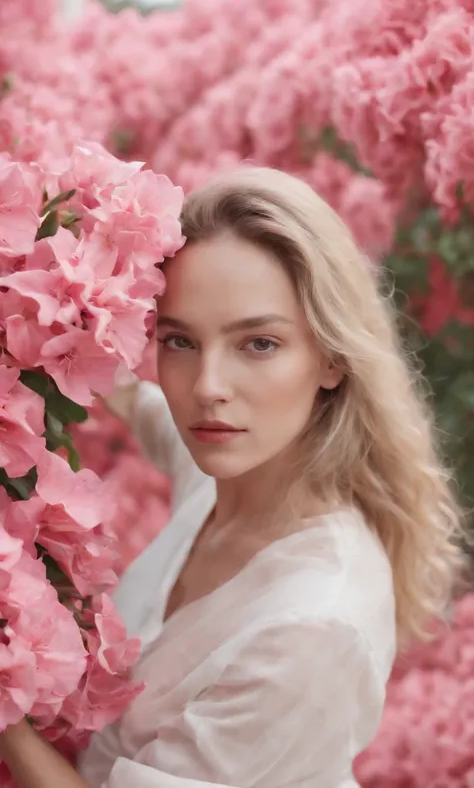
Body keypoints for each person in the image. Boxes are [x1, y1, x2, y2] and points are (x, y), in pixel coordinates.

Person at [0, 167, 464, 788]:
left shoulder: (311, 627)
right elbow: (145, 406)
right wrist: (53, 310)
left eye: (259, 345)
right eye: (180, 342)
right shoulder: (229, 467)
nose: (208, 390)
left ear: (331, 357)